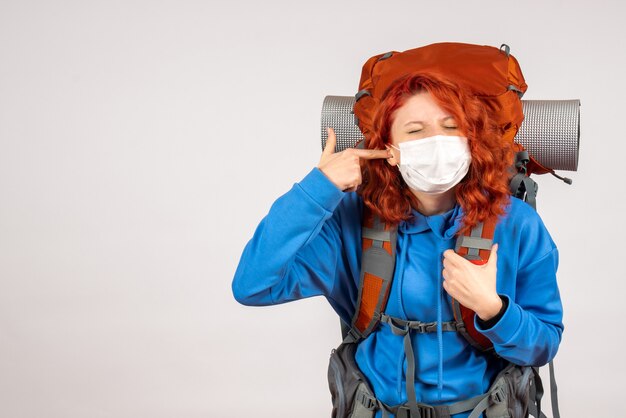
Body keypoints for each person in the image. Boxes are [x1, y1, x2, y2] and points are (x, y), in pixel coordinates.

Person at [232, 72, 563, 418]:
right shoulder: (353, 219)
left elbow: (544, 345)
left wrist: (493, 309)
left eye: (451, 127)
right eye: (416, 131)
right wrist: (318, 189)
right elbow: (252, 285)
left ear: (470, 139)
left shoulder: (517, 224)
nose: (436, 142)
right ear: (389, 149)